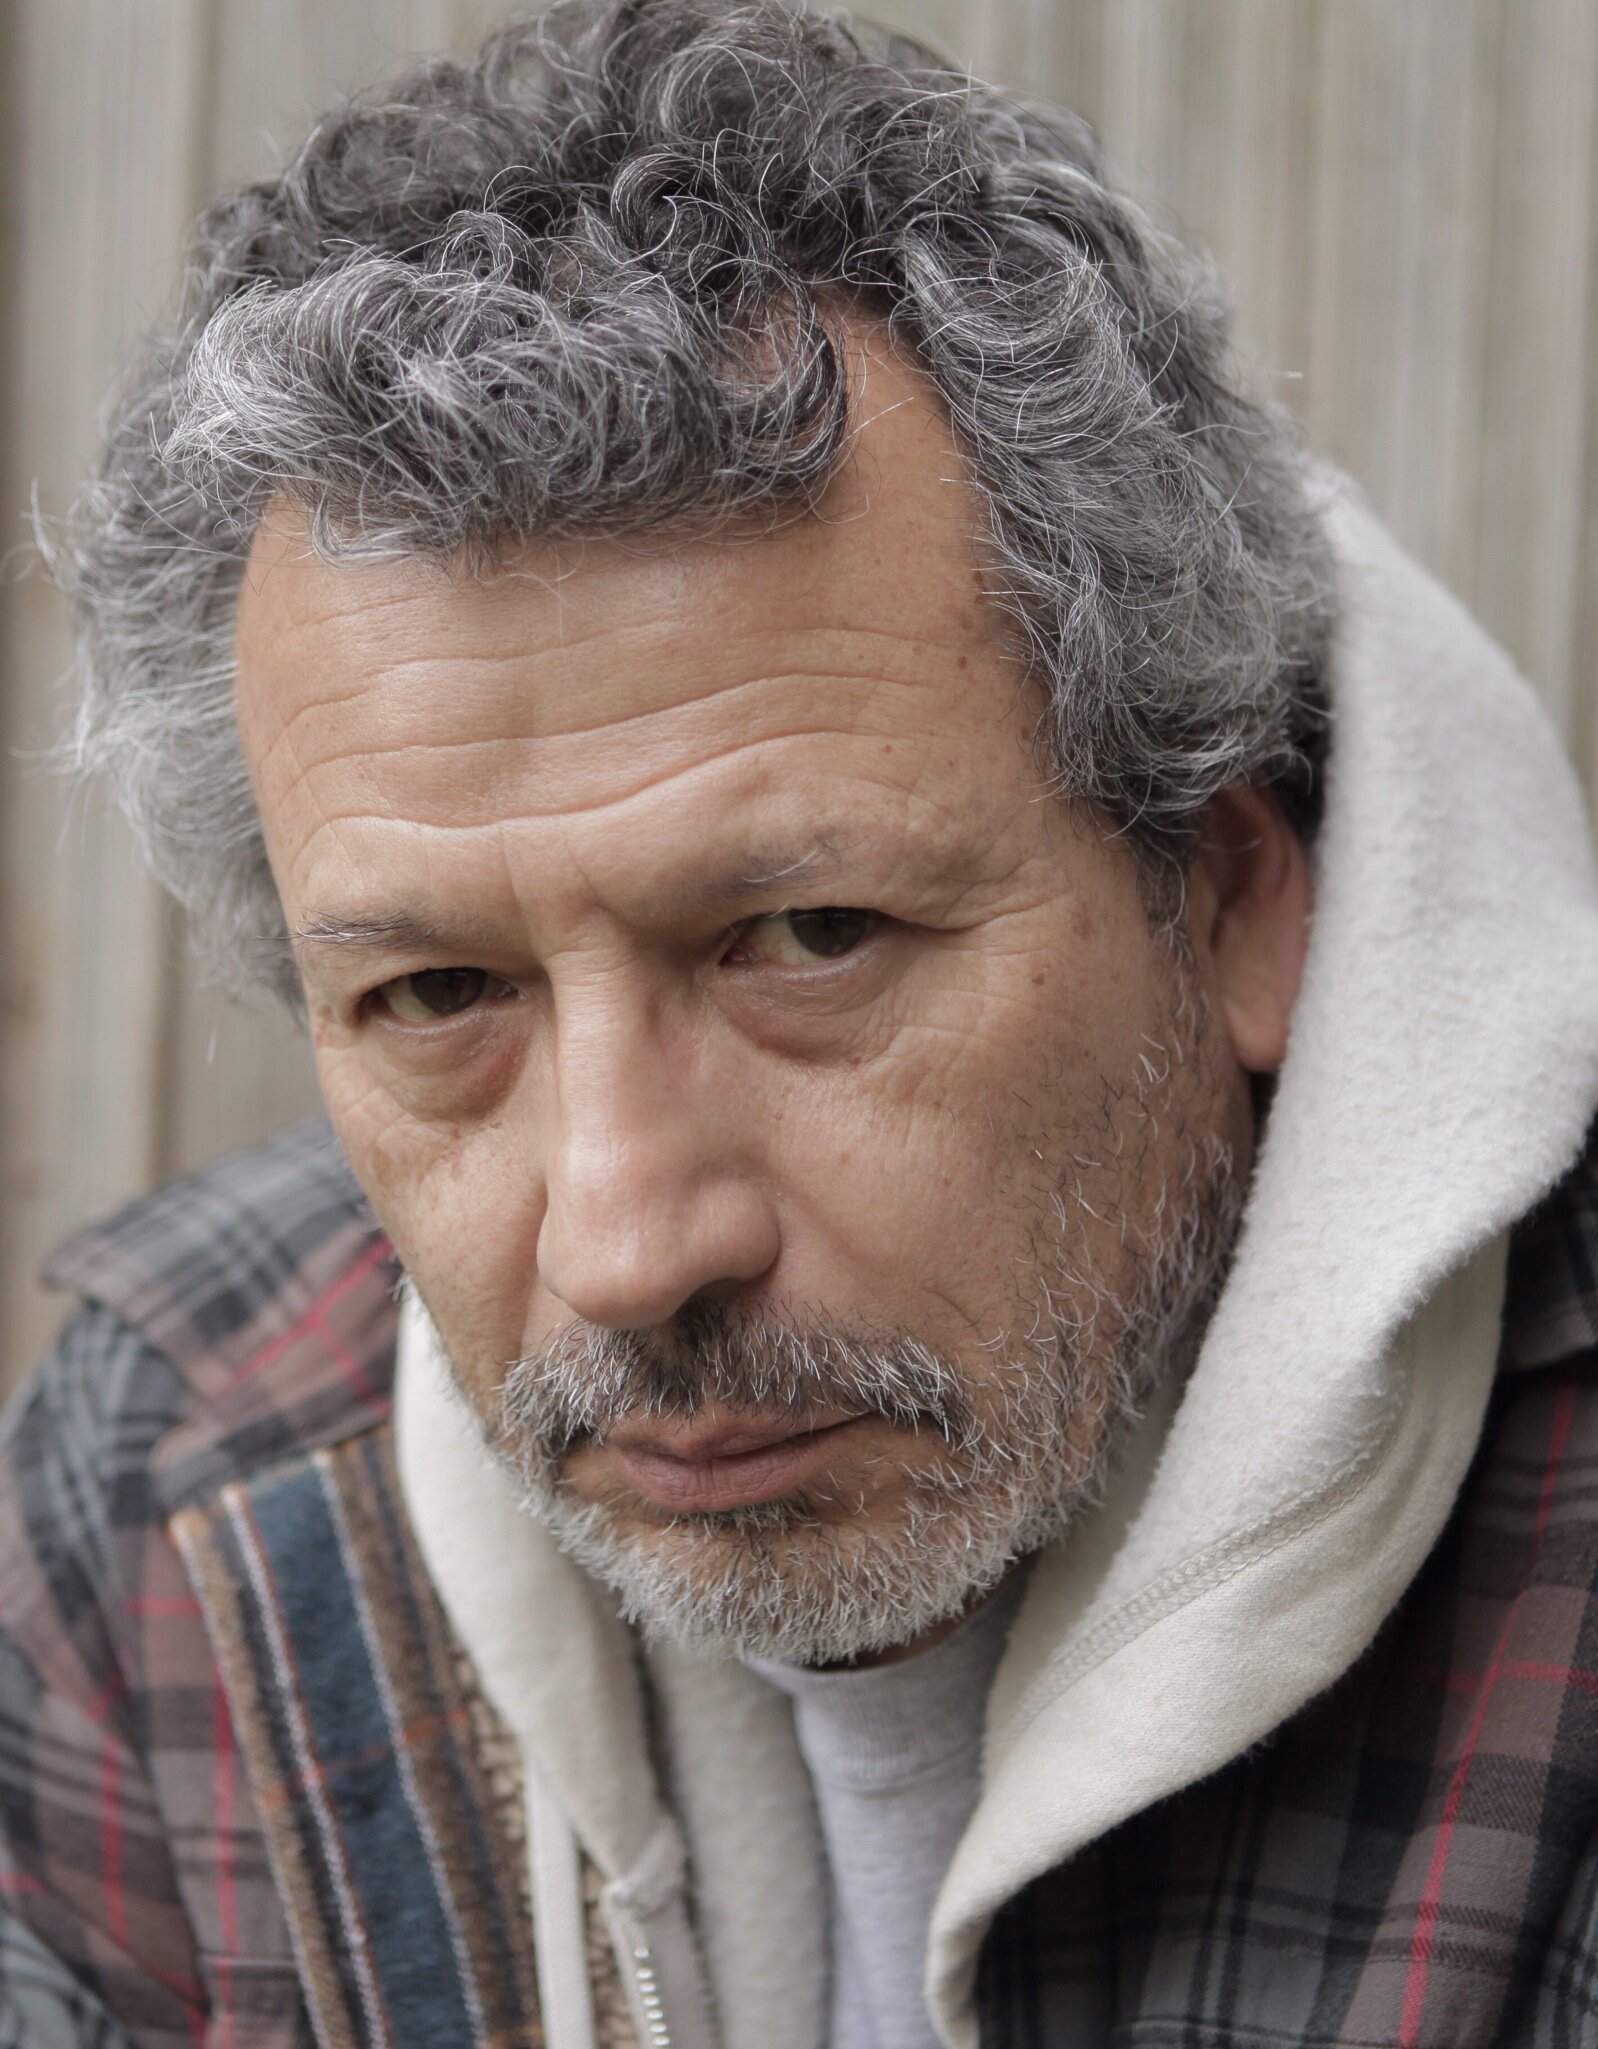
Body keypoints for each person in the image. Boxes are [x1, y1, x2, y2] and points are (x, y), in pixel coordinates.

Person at [4, 2, 1598, 2043]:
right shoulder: (178, 1472)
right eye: (440, 992)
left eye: (807, 934)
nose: (626, 1244)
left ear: (1227, 890)